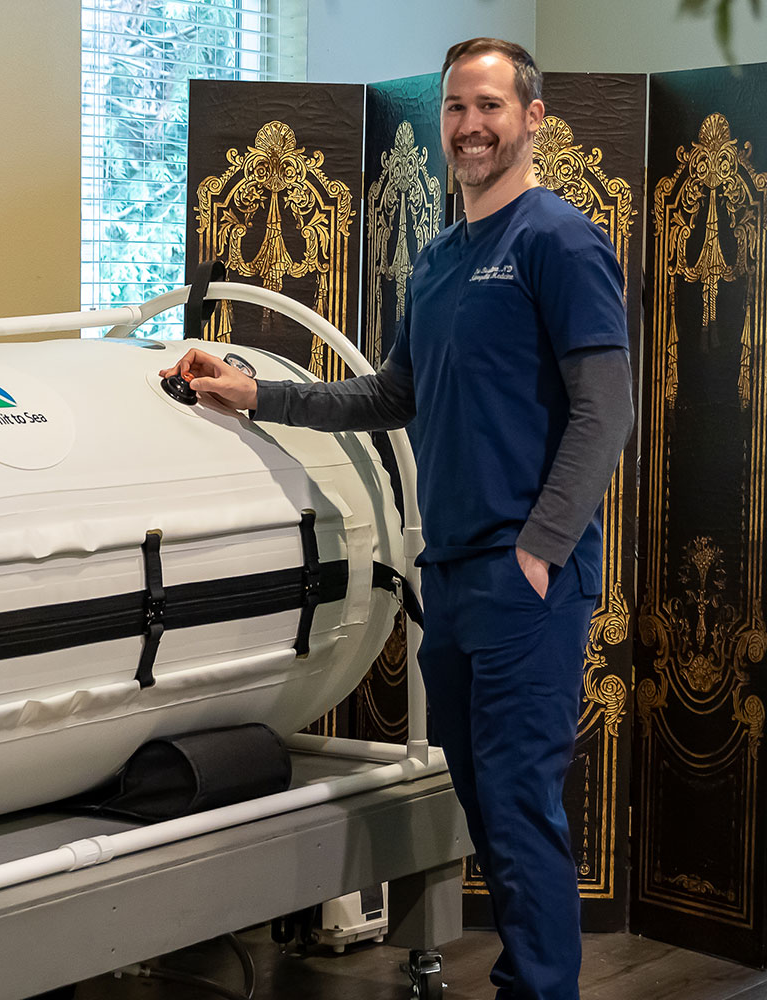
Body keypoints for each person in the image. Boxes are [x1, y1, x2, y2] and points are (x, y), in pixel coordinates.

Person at [163, 38, 633, 1000]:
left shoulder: (558, 241)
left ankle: (538, 991)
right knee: (485, 803)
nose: (470, 126)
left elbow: (607, 409)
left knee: (518, 803)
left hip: (525, 580)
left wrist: (541, 550)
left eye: (491, 107)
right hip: (453, 579)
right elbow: (387, 396)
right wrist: (256, 394)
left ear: (532, 118)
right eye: (458, 107)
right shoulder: (439, 261)